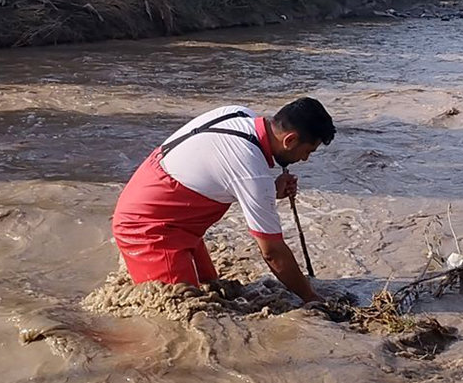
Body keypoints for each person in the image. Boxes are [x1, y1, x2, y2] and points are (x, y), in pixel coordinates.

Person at [111, 97, 336, 302]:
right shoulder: (251, 170)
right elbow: (272, 252)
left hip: (166, 209)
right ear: (290, 139)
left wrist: (269, 189)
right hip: (147, 226)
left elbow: (220, 173)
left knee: (212, 289)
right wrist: (311, 297)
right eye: (308, 151)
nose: (305, 159)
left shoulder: (240, 114)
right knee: (182, 309)